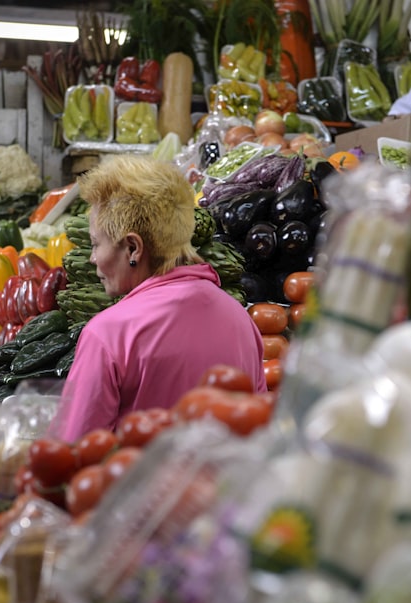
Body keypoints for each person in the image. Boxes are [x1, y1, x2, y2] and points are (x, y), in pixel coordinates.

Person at [49, 156, 266, 442]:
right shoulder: (240, 319)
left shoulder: (108, 335)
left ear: (133, 248)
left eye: (95, 244)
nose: (92, 259)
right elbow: (260, 429)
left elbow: (73, 453)